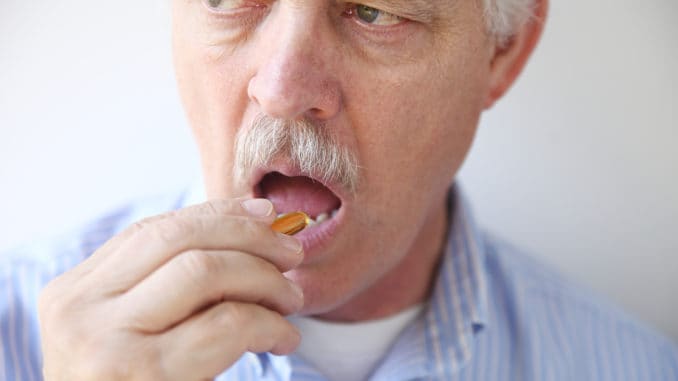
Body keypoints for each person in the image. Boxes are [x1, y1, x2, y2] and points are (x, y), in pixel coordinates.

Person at [1, 0, 677, 380]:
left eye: (375, 12)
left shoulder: (636, 369)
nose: (285, 87)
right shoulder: (15, 335)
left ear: (499, 55)